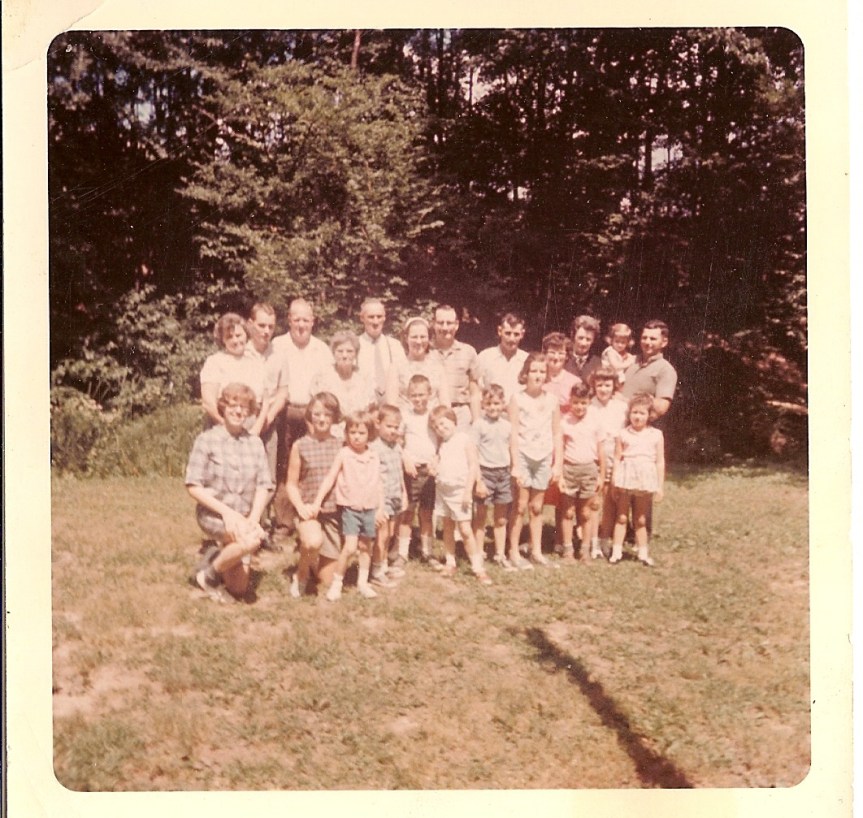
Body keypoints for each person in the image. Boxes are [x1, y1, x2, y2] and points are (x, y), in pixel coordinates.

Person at [185, 383, 274, 602]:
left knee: (238, 590)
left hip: (244, 518)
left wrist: (253, 519)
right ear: (223, 407)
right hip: (214, 514)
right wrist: (227, 513)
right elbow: (192, 485)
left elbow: (264, 484)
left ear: (250, 412)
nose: (238, 411)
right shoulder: (206, 440)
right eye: (233, 405)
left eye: (244, 407)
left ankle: (214, 560)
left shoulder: (254, 443)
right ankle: (209, 576)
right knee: (250, 542)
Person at [271, 298, 334, 538]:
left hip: (311, 413)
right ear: (288, 320)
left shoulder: (321, 349)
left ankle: (310, 517)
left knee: (310, 465)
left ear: (313, 322)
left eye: (305, 320)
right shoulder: (277, 345)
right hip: (285, 410)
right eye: (296, 319)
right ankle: (284, 523)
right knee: (283, 465)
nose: (300, 325)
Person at [312, 409, 383, 601]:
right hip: (351, 509)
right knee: (350, 547)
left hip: (369, 508)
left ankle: (362, 583)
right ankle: (337, 583)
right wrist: (318, 500)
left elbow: (378, 483)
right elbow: (331, 478)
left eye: (361, 433)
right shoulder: (344, 454)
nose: (357, 437)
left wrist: (381, 508)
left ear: (369, 435)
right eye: (353, 433)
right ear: (346, 434)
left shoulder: (373, 456)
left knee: (365, 547)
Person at [284, 392, 344, 599]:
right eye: (317, 413)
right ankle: (300, 575)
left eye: (327, 414)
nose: (321, 418)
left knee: (327, 580)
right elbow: (291, 484)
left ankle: (314, 561)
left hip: (334, 514)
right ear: (310, 415)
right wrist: (300, 506)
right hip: (309, 510)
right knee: (312, 542)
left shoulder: (342, 445)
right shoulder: (300, 445)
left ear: (335, 417)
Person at [507, 352, 563, 569]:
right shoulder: (517, 399)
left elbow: (557, 432)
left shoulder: (552, 400)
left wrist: (557, 464)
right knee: (520, 506)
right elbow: (512, 432)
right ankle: (513, 552)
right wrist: (515, 465)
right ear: (526, 373)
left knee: (537, 507)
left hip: (543, 457)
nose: (538, 375)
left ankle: (536, 551)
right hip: (523, 455)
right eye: (534, 371)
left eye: (542, 371)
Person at [429, 405, 492, 586]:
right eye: (436, 427)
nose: (440, 428)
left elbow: (473, 465)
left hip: (460, 491)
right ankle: (450, 562)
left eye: (442, 423)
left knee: (465, 529)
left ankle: (478, 567)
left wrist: (467, 491)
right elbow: (439, 463)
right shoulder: (442, 444)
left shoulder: (465, 439)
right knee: (447, 526)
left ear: (453, 420)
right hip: (444, 489)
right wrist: (434, 467)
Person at [609, 392, 666, 566]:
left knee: (640, 519)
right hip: (626, 478)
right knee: (621, 517)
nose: (637, 417)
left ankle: (643, 553)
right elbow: (618, 458)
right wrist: (614, 482)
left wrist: (659, 486)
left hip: (645, 479)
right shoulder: (623, 434)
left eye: (642, 413)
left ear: (649, 416)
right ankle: (616, 552)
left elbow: (659, 460)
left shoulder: (656, 435)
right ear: (629, 414)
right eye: (634, 412)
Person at [559, 383, 606, 562]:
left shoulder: (595, 422)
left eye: (584, 403)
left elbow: (601, 451)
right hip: (569, 469)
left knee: (586, 512)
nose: (580, 407)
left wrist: (601, 475)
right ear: (570, 401)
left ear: (589, 402)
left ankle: (585, 550)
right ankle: (568, 550)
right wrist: (560, 474)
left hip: (589, 470)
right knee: (568, 512)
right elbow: (561, 449)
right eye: (576, 402)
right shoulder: (565, 422)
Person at [200, 313, 268, 435]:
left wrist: (256, 430)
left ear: (246, 335)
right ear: (222, 340)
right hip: (221, 426)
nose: (236, 340)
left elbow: (265, 400)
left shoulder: (256, 362)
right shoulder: (215, 362)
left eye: (238, 335)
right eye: (229, 337)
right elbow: (208, 403)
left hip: (253, 428)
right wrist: (227, 427)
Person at [396, 374, 438, 565]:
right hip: (411, 470)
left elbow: (443, 439)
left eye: (422, 395)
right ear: (408, 396)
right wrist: (405, 458)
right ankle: (402, 553)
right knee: (407, 513)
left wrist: (436, 460)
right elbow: (397, 440)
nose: (418, 399)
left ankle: (427, 552)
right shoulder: (405, 415)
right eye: (414, 395)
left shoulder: (434, 415)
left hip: (429, 470)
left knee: (426, 513)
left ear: (430, 394)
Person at [588, 366, 629, 558]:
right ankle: (593, 542)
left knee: (612, 499)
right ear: (593, 386)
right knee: (595, 499)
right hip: (595, 457)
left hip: (616, 456)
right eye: (599, 385)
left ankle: (605, 538)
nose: (603, 389)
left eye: (607, 385)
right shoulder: (589, 406)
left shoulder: (621, 407)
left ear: (614, 386)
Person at [471, 384, 513, 568]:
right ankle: (478, 551)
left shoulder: (507, 426)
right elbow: (474, 450)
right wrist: (478, 478)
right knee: (480, 515)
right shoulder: (479, 425)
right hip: (485, 472)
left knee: (501, 518)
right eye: (489, 404)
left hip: (503, 473)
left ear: (503, 404)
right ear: (483, 405)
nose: (493, 407)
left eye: (497, 403)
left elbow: (512, 448)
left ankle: (499, 553)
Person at [309, 330, 376, 439]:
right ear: (333, 353)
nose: (344, 355)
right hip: (330, 436)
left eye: (350, 351)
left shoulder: (365, 378)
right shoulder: (322, 378)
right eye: (340, 351)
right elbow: (312, 414)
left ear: (356, 353)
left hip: (359, 436)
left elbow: (372, 411)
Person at [370, 404, 409, 586]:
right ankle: (376, 571)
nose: (393, 431)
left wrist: (404, 494)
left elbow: (400, 473)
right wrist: (377, 504)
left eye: (396, 427)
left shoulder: (396, 446)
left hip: (395, 496)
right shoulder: (374, 448)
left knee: (391, 533)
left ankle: (383, 564)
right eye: (389, 426)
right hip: (381, 498)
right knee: (382, 535)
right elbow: (373, 477)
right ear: (378, 424)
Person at [429, 303, 480, 430]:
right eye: (440, 323)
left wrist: (477, 422)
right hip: (432, 412)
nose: (445, 327)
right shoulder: (425, 351)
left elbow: (474, 393)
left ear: (456, 325)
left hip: (461, 414)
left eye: (449, 323)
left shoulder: (468, 352)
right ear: (434, 324)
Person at [386, 315, 451, 413]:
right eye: (414, 337)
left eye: (423, 337)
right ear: (406, 338)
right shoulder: (396, 367)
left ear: (429, 338)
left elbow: (445, 404)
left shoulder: (438, 367)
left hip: (433, 422)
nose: (419, 341)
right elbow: (391, 406)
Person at [618, 320, 678, 421]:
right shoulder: (630, 360)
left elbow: (661, 407)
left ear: (664, 342)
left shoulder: (666, 370)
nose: (647, 342)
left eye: (653, 339)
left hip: (639, 427)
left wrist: (634, 400)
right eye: (644, 338)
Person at [356, 298, 407, 403]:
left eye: (379, 317)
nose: (375, 321)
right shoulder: (355, 345)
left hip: (391, 405)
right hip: (364, 405)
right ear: (362, 318)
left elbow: (404, 377)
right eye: (371, 317)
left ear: (384, 318)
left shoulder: (394, 346)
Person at [476, 313, 528, 404]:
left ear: (522, 334)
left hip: (519, 413)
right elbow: (478, 389)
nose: (512, 339)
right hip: (491, 412)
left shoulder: (527, 360)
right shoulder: (485, 357)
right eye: (507, 333)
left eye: (516, 334)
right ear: (500, 331)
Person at [564, 315, 602, 385]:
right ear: (573, 336)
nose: (583, 343)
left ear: (593, 340)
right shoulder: (563, 359)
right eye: (580, 338)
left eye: (588, 339)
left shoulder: (598, 363)